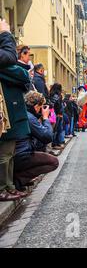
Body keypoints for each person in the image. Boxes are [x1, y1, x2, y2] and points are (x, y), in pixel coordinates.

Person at [0, 19, 31, 201]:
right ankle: (3, 188)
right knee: (4, 154)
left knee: (9, 153)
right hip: (5, 113)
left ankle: (9, 187)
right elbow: (20, 72)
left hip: (9, 112)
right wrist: (5, 34)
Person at [13, 91, 59, 191]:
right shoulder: (29, 117)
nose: (42, 109)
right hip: (22, 155)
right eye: (41, 106)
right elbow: (47, 137)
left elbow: (40, 142)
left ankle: (21, 177)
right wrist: (46, 118)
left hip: (17, 153)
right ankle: (19, 179)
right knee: (54, 162)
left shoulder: (24, 113)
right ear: (36, 105)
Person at [49, 83, 65, 149]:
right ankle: (55, 144)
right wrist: (59, 113)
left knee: (56, 130)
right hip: (57, 114)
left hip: (56, 114)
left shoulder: (52, 94)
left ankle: (56, 143)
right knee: (56, 130)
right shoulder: (57, 95)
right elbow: (56, 104)